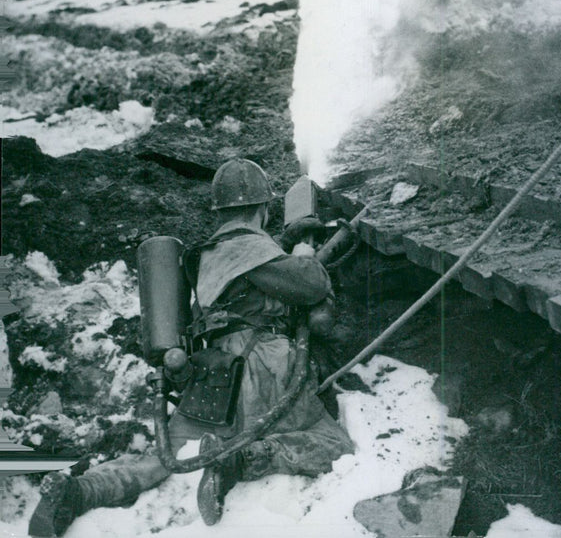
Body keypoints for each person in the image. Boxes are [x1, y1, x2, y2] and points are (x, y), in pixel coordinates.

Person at [29, 158, 354, 537]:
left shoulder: (211, 255)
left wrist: (282, 247)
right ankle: (243, 459)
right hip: (263, 366)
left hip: (211, 374)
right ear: (263, 210)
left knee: (163, 458)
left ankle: (79, 491)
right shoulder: (250, 250)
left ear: (220, 211)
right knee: (333, 444)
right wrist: (302, 255)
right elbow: (311, 286)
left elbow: (252, 280)